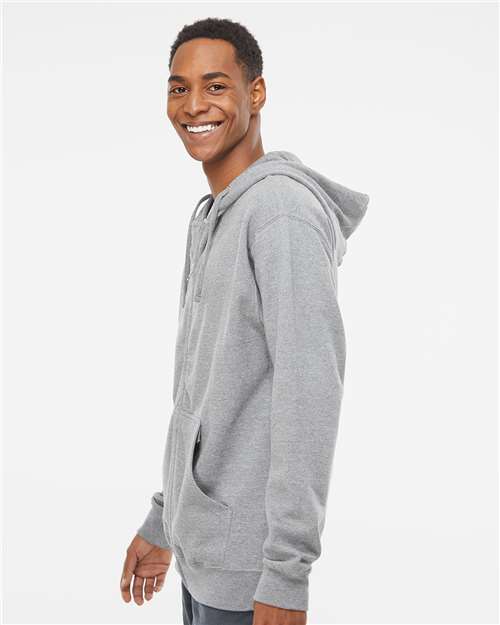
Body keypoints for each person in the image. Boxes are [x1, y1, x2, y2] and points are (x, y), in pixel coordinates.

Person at [120, 17, 369, 625]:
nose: (193, 106)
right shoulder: (214, 215)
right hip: (204, 557)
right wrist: (166, 519)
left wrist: (286, 575)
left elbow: (309, 394)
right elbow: (203, 390)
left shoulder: (280, 214)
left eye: (215, 86)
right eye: (178, 88)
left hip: (252, 577)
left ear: (255, 93)